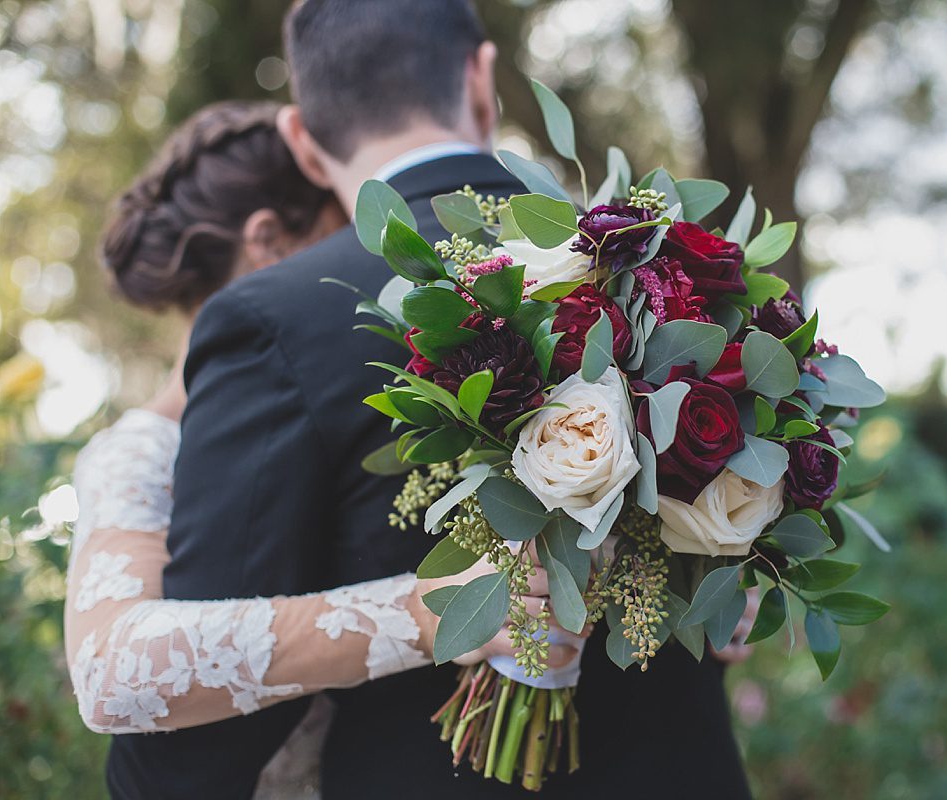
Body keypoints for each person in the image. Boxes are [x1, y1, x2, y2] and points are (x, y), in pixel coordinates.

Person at [106, 1, 754, 798]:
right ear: (482, 82)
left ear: (304, 142)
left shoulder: (272, 319)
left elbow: (200, 743)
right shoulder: (672, 272)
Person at [71, 99, 577, 796]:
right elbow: (109, 671)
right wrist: (426, 612)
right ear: (270, 241)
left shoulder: (326, 421)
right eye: (347, 229)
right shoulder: (135, 450)